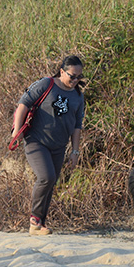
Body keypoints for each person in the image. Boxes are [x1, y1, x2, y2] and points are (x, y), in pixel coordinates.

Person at [12, 55, 85, 235]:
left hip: (59, 145)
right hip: (36, 140)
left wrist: (75, 151)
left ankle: (40, 224)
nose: (75, 80)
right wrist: (16, 132)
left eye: (79, 77)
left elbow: (77, 125)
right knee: (46, 177)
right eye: (72, 76)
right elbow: (23, 104)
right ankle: (34, 220)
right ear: (62, 71)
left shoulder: (78, 95)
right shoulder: (46, 84)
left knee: (51, 182)